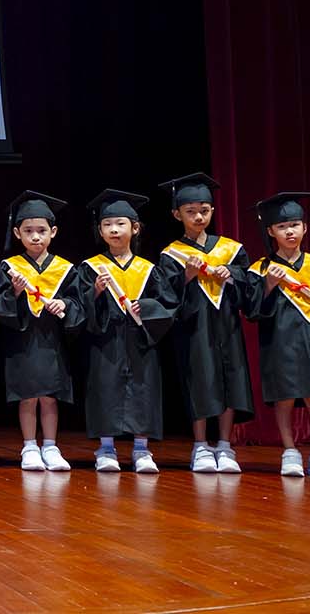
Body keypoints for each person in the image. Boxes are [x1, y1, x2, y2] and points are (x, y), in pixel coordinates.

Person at [243, 192, 310, 478]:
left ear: (305, 227)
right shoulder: (260, 270)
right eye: (282, 226)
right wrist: (268, 286)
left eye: (294, 224)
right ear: (270, 231)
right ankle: (290, 451)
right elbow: (252, 309)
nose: (289, 231)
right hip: (280, 340)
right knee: (285, 396)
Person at [155, 173, 253, 474]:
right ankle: (200, 446)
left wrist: (232, 275)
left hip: (227, 325)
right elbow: (166, 298)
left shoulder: (231, 250)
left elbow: (249, 289)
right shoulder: (171, 255)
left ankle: (224, 446)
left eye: (204, 210)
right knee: (198, 380)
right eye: (191, 211)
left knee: (229, 378)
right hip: (193, 328)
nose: (198, 216)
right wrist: (186, 275)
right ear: (177, 214)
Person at [77, 189, 177, 474]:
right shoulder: (91, 268)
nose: (114, 230)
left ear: (135, 228)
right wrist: (95, 292)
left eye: (120, 224)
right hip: (105, 341)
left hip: (140, 341)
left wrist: (144, 306)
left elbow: (168, 305)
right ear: (100, 230)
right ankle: (106, 448)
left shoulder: (149, 269)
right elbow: (81, 307)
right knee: (105, 389)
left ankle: (141, 450)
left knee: (142, 390)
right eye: (107, 225)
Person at [0, 191, 84, 472]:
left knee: (50, 396)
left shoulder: (65, 269)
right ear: (17, 233)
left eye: (41, 231)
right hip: (23, 340)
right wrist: (15, 292)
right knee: (28, 395)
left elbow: (78, 304)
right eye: (28, 231)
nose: (35, 237)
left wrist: (63, 304)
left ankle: (51, 446)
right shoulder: (10, 268)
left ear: (53, 232)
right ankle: (30, 445)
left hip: (51, 340)